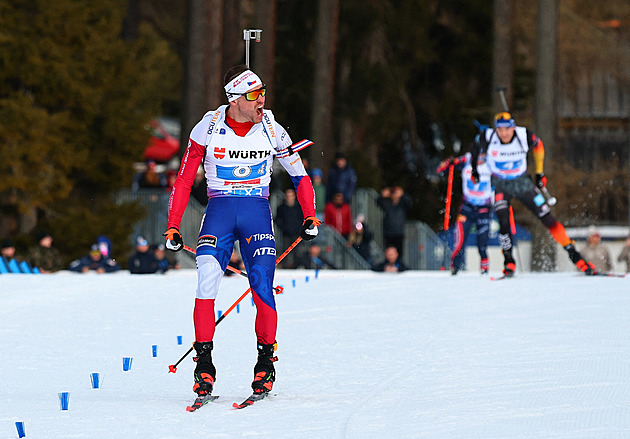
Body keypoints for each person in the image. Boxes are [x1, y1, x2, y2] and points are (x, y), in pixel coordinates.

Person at [162, 65, 320, 405]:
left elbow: (300, 176)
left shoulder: (270, 127)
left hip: (256, 213)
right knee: (206, 278)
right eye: (252, 95)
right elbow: (184, 178)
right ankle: (203, 363)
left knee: (262, 282)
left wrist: (310, 215)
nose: (261, 99)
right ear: (234, 100)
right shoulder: (210, 125)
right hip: (219, 210)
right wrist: (173, 223)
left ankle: (266, 361)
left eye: (263, 91)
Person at [471, 111, 597, 277]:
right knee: (502, 219)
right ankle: (509, 261)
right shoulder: (488, 136)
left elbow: (539, 146)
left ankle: (577, 257)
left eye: (506, 130)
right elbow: (474, 150)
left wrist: (539, 173)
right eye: (499, 130)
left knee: (547, 218)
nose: (503, 134)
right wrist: (475, 171)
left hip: (523, 182)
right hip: (501, 184)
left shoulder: (523, 135)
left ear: (513, 127)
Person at [437, 152, 493, 275]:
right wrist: (448, 162)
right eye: (477, 156)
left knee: (482, 242)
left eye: (482, 156)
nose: (479, 159)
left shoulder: (491, 160)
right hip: (467, 208)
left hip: (484, 208)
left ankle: (484, 268)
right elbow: (441, 168)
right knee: (460, 240)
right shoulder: (467, 159)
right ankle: (455, 267)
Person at [376, 186, 412, 258]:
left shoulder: (402, 204)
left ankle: (398, 266)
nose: (394, 195)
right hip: (388, 232)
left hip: (399, 232)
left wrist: (403, 194)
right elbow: (379, 202)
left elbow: (409, 203)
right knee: (388, 252)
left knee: (399, 254)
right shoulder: (388, 204)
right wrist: (383, 195)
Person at [274, 188, 304, 268]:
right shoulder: (281, 207)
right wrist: (283, 228)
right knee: (285, 251)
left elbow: (302, 218)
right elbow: (277, 219)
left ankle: (297, 267)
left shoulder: (299, 207)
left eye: (291, 195)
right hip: (286, 234)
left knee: (297, 252)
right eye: (288, 196)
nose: (289, 197)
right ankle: (285, 267)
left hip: (297, 233)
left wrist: (300, 228)